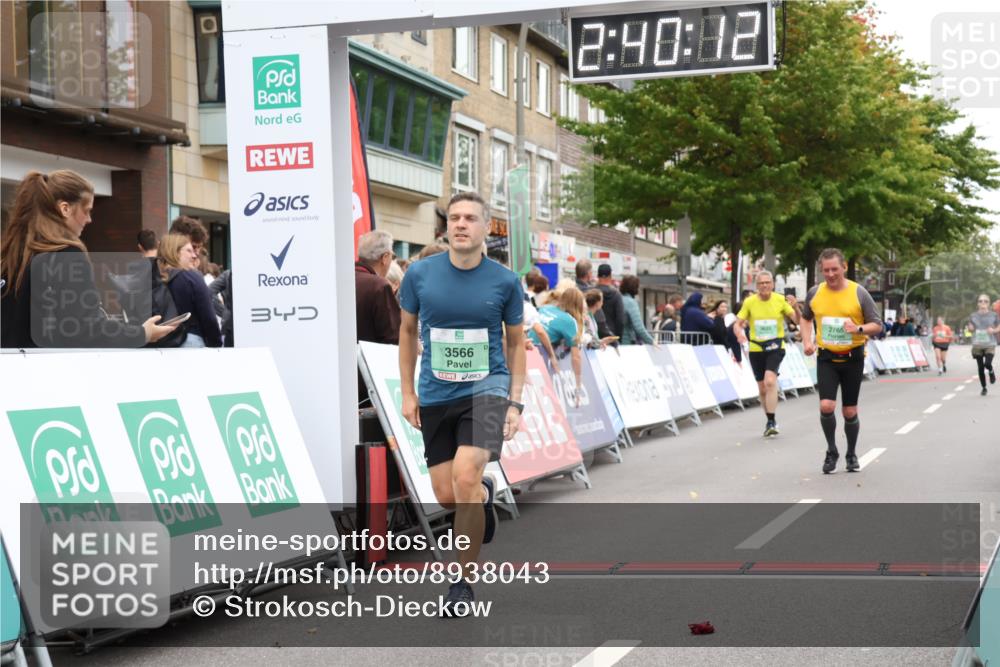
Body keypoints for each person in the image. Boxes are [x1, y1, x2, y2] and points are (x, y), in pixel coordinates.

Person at [398, 191, 525, 617]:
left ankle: (462, 582)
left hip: (488, 389)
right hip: (436, 393)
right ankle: (482, 495)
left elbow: (515, 344)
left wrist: (514, 402)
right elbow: (407, 333)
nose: (461, 224)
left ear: (486, 227)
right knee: (447, 494)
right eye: (454, 217)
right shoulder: (419, 275)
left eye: (470, 217)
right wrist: (408, 392)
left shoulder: (505, 281)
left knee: (466, 474)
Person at [1, 170, 176, 348]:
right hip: (45, 363)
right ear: (65, 209)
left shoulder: (11, 255)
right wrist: (142, 333)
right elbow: (86, 328)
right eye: (87, 211)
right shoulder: (67, 254)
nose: (89, 219)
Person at [800, 248, 882, 474]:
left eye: (834, 269)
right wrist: (806, 341)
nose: (830, 274)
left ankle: (851, 454)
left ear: (844, 267)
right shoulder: (815, 292)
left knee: (849, 411)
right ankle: (832, 450)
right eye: (826, 270)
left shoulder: (859, 293)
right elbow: (805, 318)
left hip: (852, 357)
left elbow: (877, 325)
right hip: (826, 357)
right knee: (826, 405)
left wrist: (858, 328)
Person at [734, 271, 798, 437]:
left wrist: (796, 307)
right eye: (761, 283)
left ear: (772, 284)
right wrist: (739, 333)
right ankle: (770, 420)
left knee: (770, 381)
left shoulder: (780, 300)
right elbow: (737, 323)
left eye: (767, 282)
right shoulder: (749, 302)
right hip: (756, 348)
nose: (764, 286)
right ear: (757, 286)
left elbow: (797, 320)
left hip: (775, 346)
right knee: (762, 388)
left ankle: (771, 421)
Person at [157, 233, 222, 348]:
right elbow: (208, 317)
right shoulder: (190, 277)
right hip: (189, 340)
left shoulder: (154, 278)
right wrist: (216, 343)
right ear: (175, 252)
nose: (195, 255)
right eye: (189, 251)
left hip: (158, 342)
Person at [531, 286, 586, 400]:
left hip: (526, 349)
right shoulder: (569, 321)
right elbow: (576, 357)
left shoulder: (545, 308)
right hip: (541, 356)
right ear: (579, 304)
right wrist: (578, 386)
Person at [355, 230, 401, 345]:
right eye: (392, 256)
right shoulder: (379, 286)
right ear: (385, 257)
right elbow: (393, 337)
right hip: (368, 355)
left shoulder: (340, 279)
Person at [968, 294, 999, 396]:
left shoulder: (994, 315)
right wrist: (970, 328)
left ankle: (991, 371)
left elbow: (999, 327)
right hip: (977, 344)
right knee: (980, 367)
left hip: (990, 344)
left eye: (985, 301)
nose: (983, 303)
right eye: (980, 301)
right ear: (978, 303)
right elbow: (970, 328)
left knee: (987, 364)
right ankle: (984, 387)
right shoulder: (973, 316)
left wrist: (993, 330)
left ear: (988, 303)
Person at [619, 275, 655, 345]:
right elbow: (639, 327)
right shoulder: (631, 303)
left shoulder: (618, 299)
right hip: (627, 342)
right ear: (635, 288)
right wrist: (652, 341)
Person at [596, 264, 625, 339]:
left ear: (598, 276)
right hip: (611, 336)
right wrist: (618, 337)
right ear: (610, 276)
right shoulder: (616, 295)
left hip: (595, 335)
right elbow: (620, 319)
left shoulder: (592, 293)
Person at [209, 269, 234, 348]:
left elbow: (209, 291)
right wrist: (224, 310)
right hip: (229, 324)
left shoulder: (229, 273)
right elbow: (209, 292)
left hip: (229, 323)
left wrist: (225, 311)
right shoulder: (229, 274)